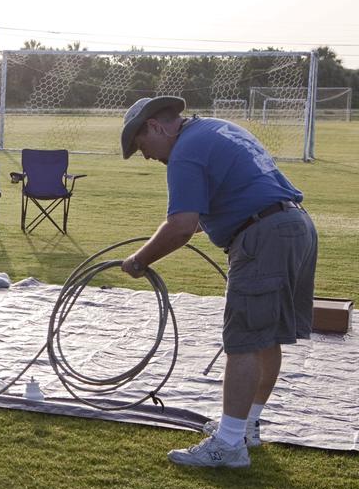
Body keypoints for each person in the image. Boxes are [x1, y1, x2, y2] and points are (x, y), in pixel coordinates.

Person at [119, 96, 317, 469]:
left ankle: (229, 444)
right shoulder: (212, 130)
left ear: (155, 127)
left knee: (242, 340)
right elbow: (193, 223)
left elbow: (181, 226)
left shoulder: (186, 151)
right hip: (294, 227)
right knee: (264, 336)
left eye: (142, 145)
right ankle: (246, 427)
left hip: (263, 234)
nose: (146, 156)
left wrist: (139, 261)